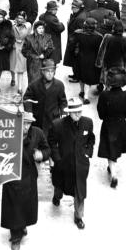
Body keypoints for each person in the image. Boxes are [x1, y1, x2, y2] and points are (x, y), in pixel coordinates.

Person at [1, 111, 50, 250]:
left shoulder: (37, 133)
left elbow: (47, 148)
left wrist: (42, 155)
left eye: (29, 123)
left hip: (29, 176)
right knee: (14, 206)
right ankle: (15, 237)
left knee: (26, 205)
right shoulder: (9, 131)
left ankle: (22, 225)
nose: (26, 127)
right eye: (24, 123)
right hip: (12, 174)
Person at [49, 97, 95, 230]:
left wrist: (88, 152)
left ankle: (79, 216)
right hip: (63, 164)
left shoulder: (87, 122)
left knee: (80, 190)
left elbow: (91, 139)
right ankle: (57, 196)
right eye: (75, 113)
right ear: (69, 112)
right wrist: (57, 159)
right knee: (59, 184)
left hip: (80, 165)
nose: (78, 115)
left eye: (80, 112)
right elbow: (52, 142)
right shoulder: (58, 125)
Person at [97, 67, 126, 188]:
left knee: (109, 148)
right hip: (120, 124)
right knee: (115, 147)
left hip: (108, 124)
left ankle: (113, 175)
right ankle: (112, 170)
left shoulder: (104, 95)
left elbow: (101, 114)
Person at [23, 59, 67, 140]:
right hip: (38, 119)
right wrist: (29, 111)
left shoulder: (59, 85)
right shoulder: (34, 85)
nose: (50, 74)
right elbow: (26, 98)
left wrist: (64, 112)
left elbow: (63, 101)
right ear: (43, 72)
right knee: (37, 140)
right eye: (48, 71)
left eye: (52, 71)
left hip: (53, 119)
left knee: (51, 141)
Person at [70, 17, 103, 104]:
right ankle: (85, 96)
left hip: (80, 58)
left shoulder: (78, 33)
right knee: (88, 78)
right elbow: (99, 50)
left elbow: (72, 45)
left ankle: (82, 91)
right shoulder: (98, 36)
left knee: (81, 76)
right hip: (92, 59)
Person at [96, 20, 126, 92]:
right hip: (120, 64)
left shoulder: (107, 37)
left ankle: (107, 94)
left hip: (108, 64)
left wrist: (98, 63)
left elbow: (101, 51)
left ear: (113, 28)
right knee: (118, 83)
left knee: (108, 82)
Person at [21, 21, 54, 85]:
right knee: (33, 81)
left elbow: (51, 48)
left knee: (44, 80)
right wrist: (33, 56)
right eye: (39, 28)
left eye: (42, 28)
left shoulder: (47, 37)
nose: (41, 30)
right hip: (32, 63)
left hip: (44, 63)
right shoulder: (29, 38)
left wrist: (44, 55)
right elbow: (24, 50)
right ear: (35, 29)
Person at [63, 0, 87, 83]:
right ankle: (75, 74)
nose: (72, 9)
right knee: (74, 60)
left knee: (76, 60)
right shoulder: (78, 14)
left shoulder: (80, 18)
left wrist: (75, 44)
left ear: (79, 8)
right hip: (73, 40)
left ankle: (77, 76)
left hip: (76, 42)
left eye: (74, 7)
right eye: (72, 7)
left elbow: (80, 32)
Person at [10, 11, 32, 95]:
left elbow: (29, 37)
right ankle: (13, 78)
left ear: (25, 19)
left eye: (21, 18)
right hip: (14, 46)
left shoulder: (28, 26)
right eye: (18, 18)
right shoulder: (12, 24)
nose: (19, 20)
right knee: (12, 65)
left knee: (21, 68)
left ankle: (19, 87)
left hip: (23, 47)